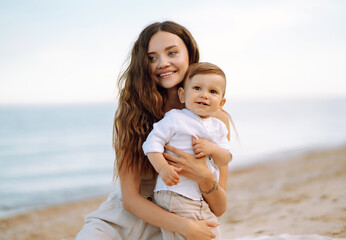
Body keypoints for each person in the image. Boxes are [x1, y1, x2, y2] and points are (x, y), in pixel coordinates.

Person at [76, 21, 230, 240]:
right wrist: (184, 227)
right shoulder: (132, 113)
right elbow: (130, 200)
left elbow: (219, 208)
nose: (163, 63)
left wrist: (204, 176)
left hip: (178, 220)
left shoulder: (215, 121)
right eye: (152, 57)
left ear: (189, 54)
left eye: (172, 52)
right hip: (124, 220)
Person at [142, 62, 232, 240]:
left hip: (200, 198)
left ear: (221, 103)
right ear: (182, 95)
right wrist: (162, 168)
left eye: (212, 92)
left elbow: (225, 158)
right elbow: (152, 143)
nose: (204, 95)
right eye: (197, 88)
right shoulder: (175, 118)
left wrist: (212, 149)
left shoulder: (219, 127)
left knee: (212, 234)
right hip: (175, 193)